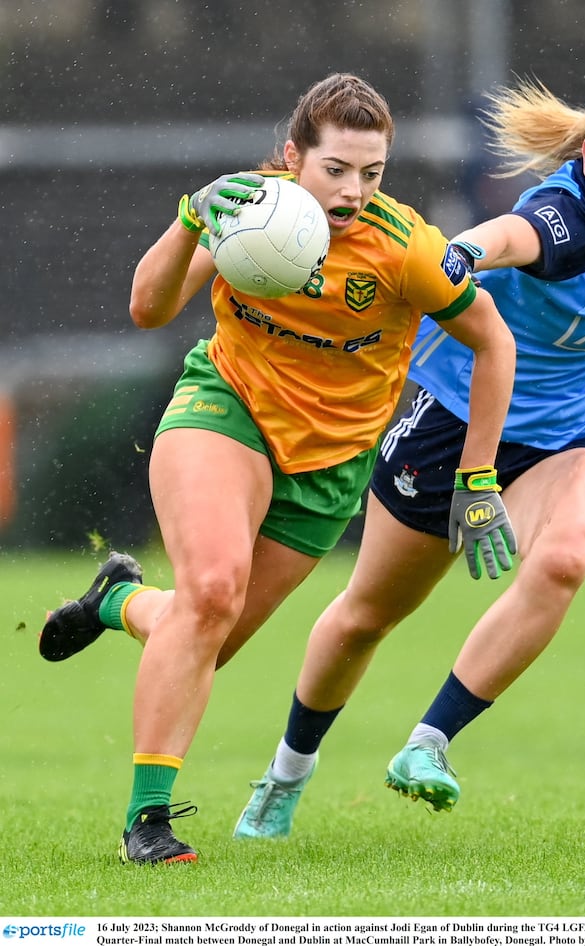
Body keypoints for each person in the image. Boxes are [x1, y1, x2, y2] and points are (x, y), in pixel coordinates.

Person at [227, 71, 585, 837]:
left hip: (571, 439)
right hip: (454, 427)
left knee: (565, 560)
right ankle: (285, 774)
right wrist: (459, 254)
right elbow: (508, 236)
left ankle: (427, 745)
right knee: (367, 615)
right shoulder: (563, 220)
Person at [38, 73, 517, 864]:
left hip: (328, 470)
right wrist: (190, 219)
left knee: (204, 638)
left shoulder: (407, 249)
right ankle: (148, 823)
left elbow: (494, 343)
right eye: (337, 169)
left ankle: (117, 597)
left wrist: (477, 479)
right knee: (213, 592)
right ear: (294, 156)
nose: (355, 190)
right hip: (224, 411)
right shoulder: (244, 209)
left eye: (373, 173)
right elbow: (148, 310)